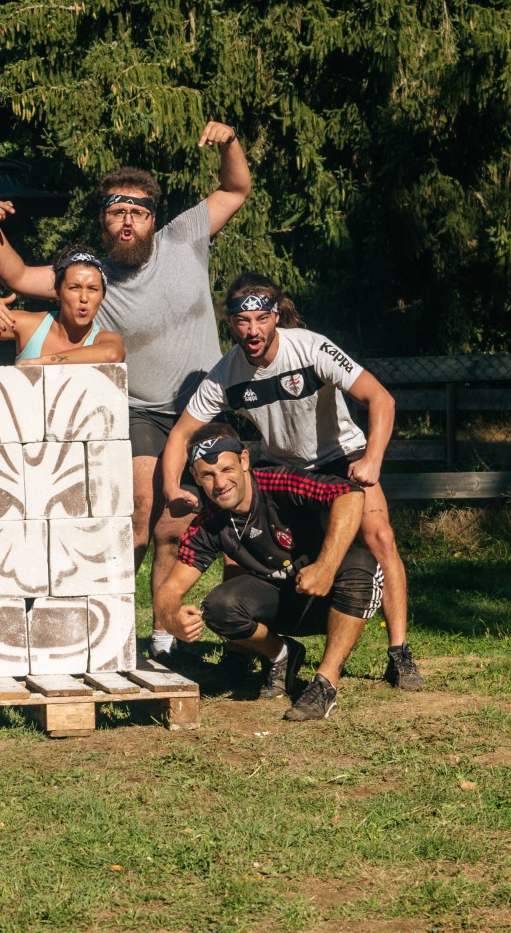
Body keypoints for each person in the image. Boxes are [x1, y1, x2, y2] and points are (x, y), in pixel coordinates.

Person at [0, 121, 251, 654]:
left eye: (139, 211)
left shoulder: (186, 236)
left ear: (153, 217)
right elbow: (15, 277)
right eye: (117, 211)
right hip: (140, 410)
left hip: (203, 404)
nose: (128, 221)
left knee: (182, 524)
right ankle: (104, 623)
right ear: (104, 218)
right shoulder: (91, 274)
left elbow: (236, 188)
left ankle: (163, 634)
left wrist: (230, 141)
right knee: (140, 515)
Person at [157, 273, 424, 692]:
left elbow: (381, 398)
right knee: (236, 551)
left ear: (275, 317)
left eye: (261, 319)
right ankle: (240, 655)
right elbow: (180, 435)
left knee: (380, 539)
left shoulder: (311, 347)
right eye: (243, 322)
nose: (252, 330)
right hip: (282, 469)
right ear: (231, 323)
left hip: (342, 457)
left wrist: (371, 458)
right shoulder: (226, 373)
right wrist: (173, 487)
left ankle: (399, 652)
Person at [155, 423, 381, 721]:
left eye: (226, 469)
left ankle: (325, 682)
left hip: (328, 599)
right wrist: (172, 618)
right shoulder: (208, 522)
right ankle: (282, 654)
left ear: (244, 461)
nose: (219, 483)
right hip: (279, 606)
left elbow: (350, 493)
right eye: (208, 475)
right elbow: (169, 591)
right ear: (195, 477)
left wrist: (325, 566)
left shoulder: (278, 482)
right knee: (218, 607)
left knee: (362, 565)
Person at [0, 250, 127, 365]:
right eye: (74, 287)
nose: (84, 298)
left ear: (102, 296)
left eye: (93, 289)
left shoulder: (104, 338)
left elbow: (112, 354)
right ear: (58, 292)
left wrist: (43, 362)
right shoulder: (30, 326)